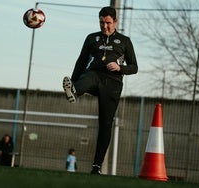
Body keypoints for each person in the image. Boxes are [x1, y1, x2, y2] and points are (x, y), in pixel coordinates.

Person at [63, 6, 138, 174]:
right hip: (94, 75)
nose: (105, 26)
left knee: (105, 124)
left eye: (108, 23)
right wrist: (74, 80)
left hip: (113, 83)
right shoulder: (92, 38)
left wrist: (120, 68)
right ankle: (74, 91)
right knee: (87, 78)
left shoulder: (124, 41)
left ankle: (97, 166)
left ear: (115, 22)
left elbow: (134, 67)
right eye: (101, 22)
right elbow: (81, 61)